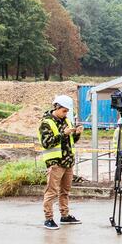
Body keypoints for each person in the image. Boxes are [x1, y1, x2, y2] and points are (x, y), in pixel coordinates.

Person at [40, 95, 83, 230]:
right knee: (51, 191)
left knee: (65, 191)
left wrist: (77, 133)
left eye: (67, 111)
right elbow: (46, 143)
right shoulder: (46, 123)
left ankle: (65, 216)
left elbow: (71, 141)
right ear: (56, 107)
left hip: (68, 162)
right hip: (55, 163)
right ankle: (48, 218)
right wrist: (63, 134)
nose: (66, 113)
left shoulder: (67, 121)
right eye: (64, 111)